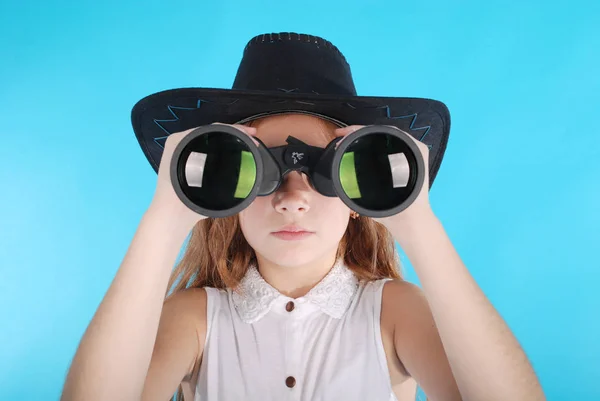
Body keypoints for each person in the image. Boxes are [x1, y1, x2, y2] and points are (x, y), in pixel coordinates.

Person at [60, 33, 545, 401]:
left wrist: (418, 223)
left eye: (323, 171)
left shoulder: (394, 312)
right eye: (259, 171)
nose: (293, 198)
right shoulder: (195, 318)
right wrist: (164, 219)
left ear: (358, 200)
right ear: (226, 201)